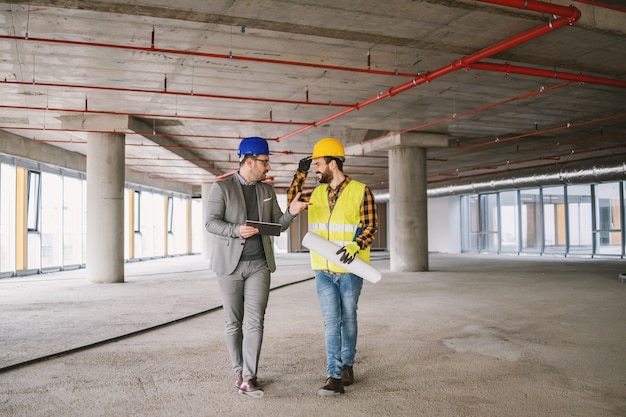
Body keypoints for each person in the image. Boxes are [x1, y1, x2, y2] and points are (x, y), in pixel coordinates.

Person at [205, 136, 308, 398]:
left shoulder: (266, 191)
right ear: (249, 161)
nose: (268, 167)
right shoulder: (222, 187)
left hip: (259, 264)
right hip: (229, 265)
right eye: (265, 162)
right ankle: (238, 370)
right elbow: (211, 223)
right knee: (233, 322)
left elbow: (277, 225)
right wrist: (236, 230)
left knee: (255, 322)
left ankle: (249, 376)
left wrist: (292, 212)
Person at [287, 137, 378, 396]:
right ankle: (333, 375)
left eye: (317, 164)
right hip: (323, 270)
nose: (315, 169)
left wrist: (356, 244)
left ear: (333, 163)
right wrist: (300, 172)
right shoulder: (316, 194)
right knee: (331, 322)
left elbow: (371, 226)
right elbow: (292, 205)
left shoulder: (361, 191)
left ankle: (348, 365)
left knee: (348, 319)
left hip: (350, 269)